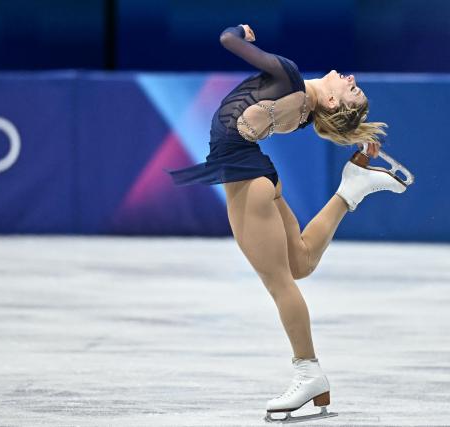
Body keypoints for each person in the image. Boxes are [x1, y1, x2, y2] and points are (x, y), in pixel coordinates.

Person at [166, 24, 410, 423]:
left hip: (248, 177)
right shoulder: (306, 110)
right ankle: (352, 188)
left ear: (330, 101)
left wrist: (241, 30)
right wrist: (356, 138)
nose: (351, 79)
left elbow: (227, 41)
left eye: (351, 89)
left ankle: (308, 370)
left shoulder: (288, 76)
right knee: (300, 262)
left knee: (281, 283)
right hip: (258, 173)